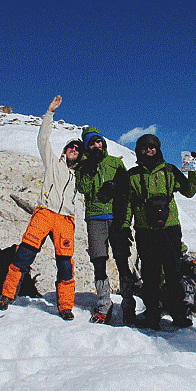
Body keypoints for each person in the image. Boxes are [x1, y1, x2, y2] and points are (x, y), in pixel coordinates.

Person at [0, 95, 82, 321]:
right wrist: (50, 112)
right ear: (65, 151)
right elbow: (43, 139)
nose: (74, 149)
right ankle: (7, 295)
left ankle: (65, 306)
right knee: (25, 254)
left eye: (77, 149)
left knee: (65, 264)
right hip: (45, 213)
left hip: (65, 220)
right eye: (70, 147)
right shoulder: (53, 163)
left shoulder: (81, 177)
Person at [123, 134, 196, 330]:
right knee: (150, 275)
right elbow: (127, 205)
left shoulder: (170, 171)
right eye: (144, 147)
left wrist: (194, 169)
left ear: (157, 149)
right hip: (145, 231)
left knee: (173, 273)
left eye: (152, 146)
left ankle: (178, 314)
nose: (148, 150)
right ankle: (152, 314)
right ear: (139, 151)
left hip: (170, 230)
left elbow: (189, 191)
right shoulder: (132, 175)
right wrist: (125, 226)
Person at [76, 126, 137, 325]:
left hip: (116, 216)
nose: (96, 145)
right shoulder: (83, 167)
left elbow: (126, 189)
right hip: (95, 217)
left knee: (122, 260)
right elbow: (83, 188)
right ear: (87, 146)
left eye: (98, 141)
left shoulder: (114, 163)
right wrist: (90, 169)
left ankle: (128, 305)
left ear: (103, 142)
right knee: (99, 260)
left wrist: (117, 188)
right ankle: (104, 304)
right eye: (91, 143)